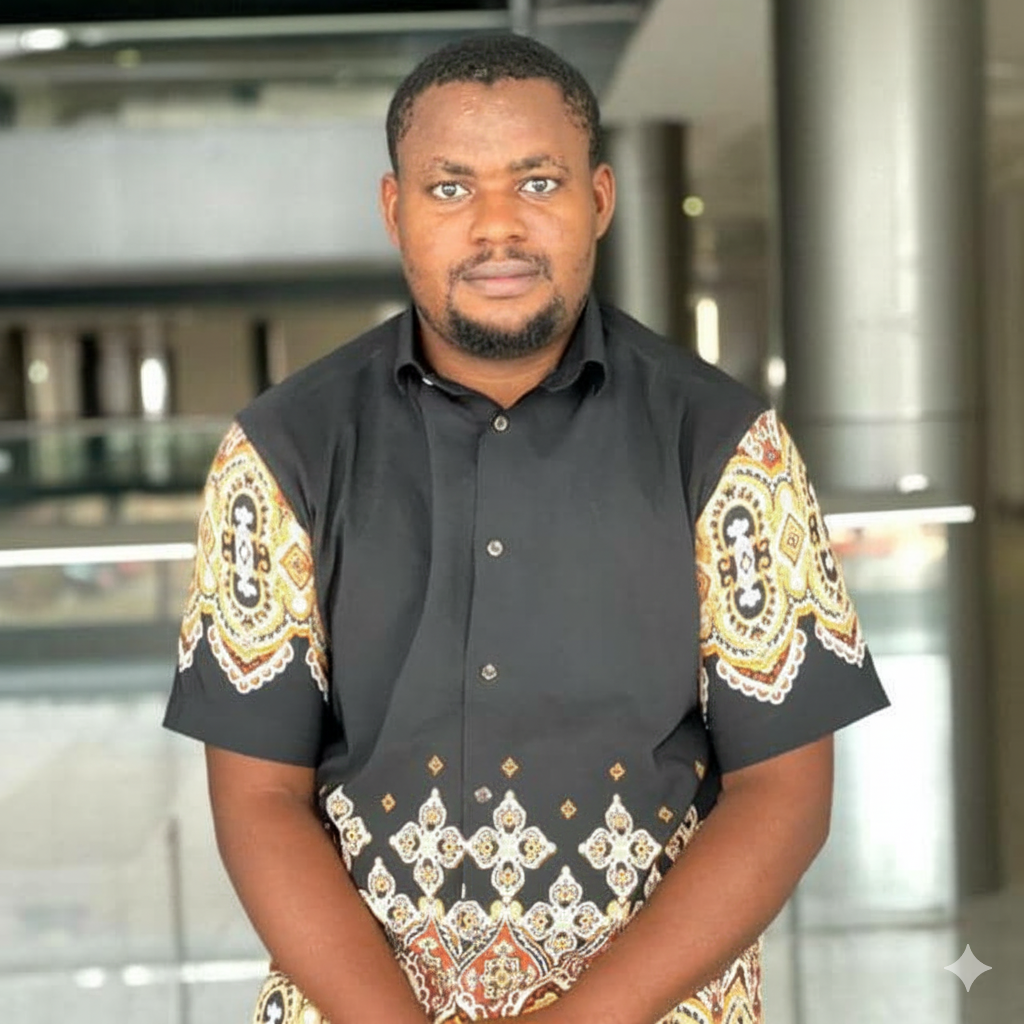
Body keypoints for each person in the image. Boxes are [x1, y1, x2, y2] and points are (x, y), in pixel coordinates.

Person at [164, 33, 889, 1024]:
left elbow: (785, 794)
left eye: (537, 182)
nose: (497, 225)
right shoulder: (280, 451)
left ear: (600, 199)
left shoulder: (728, 444)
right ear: (395, 211)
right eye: (451, 188)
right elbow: (257, 800)